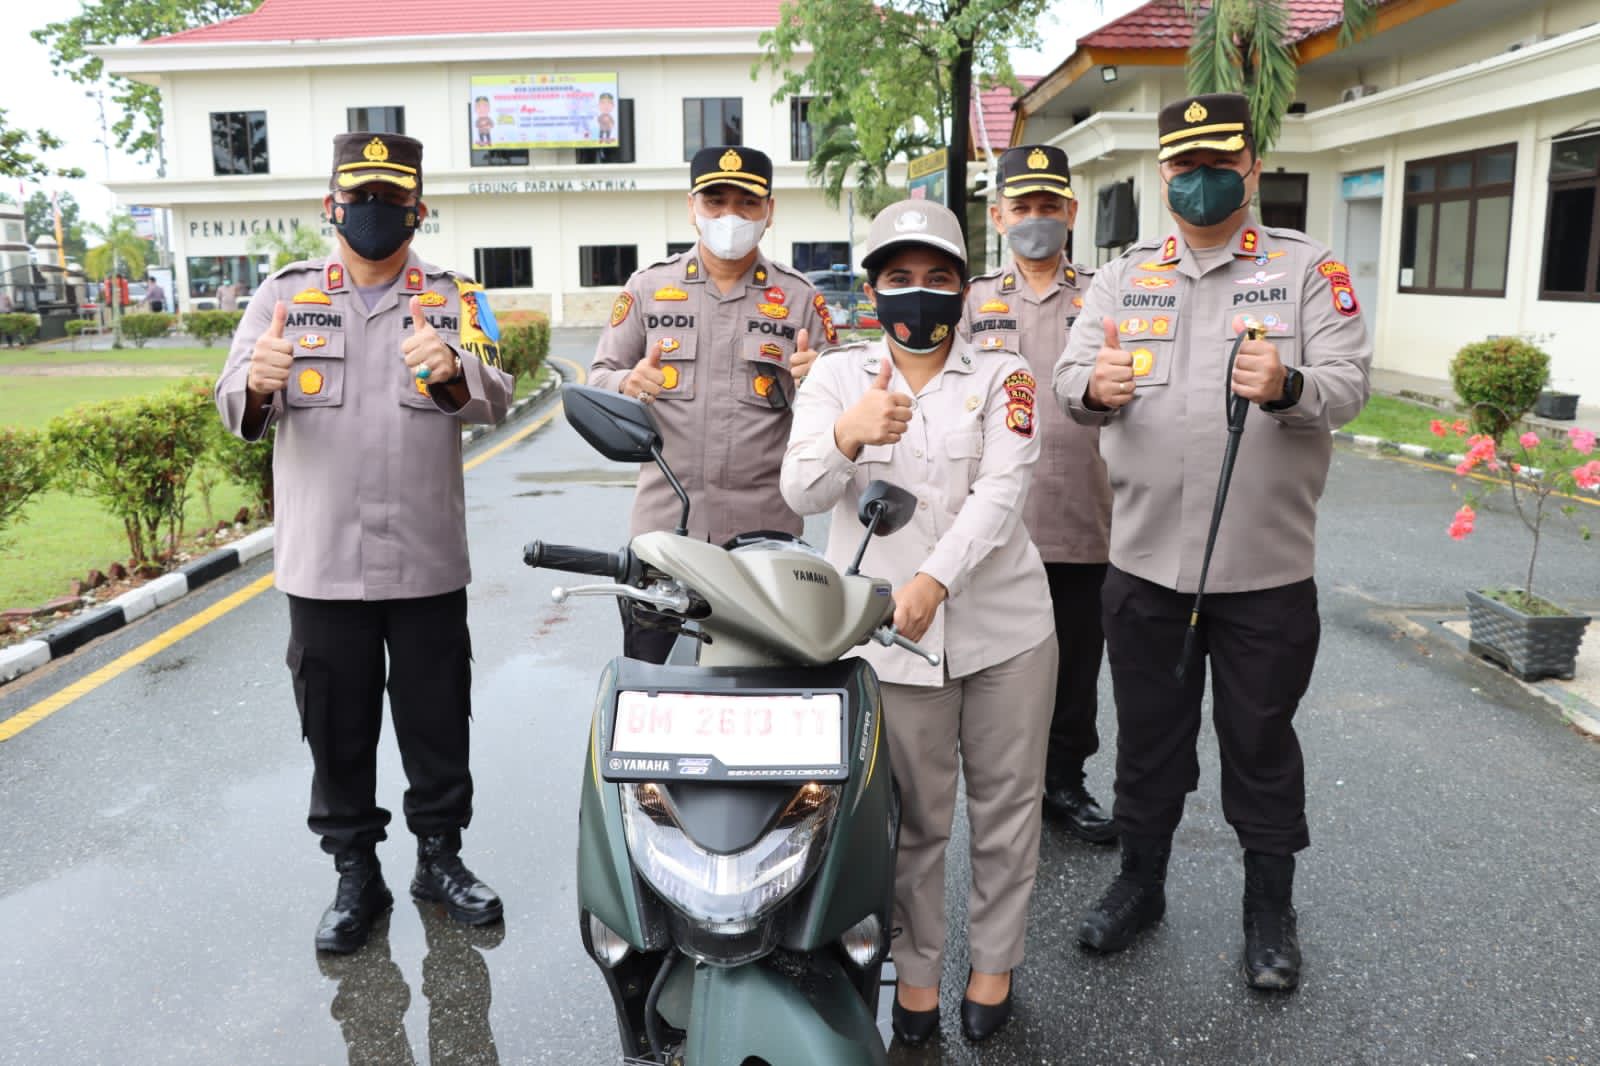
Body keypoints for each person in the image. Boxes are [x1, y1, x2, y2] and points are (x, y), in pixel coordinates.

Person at [1053, 93, 1372, 991]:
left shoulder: (1308, 272)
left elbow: (1349, 387)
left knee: (1260, 742)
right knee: (1149, 737)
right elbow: (1069, 379)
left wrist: (1288, 381)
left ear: (1253, 168)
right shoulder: (1121, 279)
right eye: (1181, 167)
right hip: (1146, 562)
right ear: (1162, 176)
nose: (1198, 181)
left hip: (1262, 571)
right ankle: (1139, 884)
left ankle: (1269, 911)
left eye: (1216, 164)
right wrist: (1095, 388)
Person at [215, 131, 515, 955]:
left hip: (424, 560)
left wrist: (452, 367)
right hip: (323, 567)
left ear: (419, 208)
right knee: (335, 726)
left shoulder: (458, 295)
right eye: (360, 198)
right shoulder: (282, 296)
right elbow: (232, 398)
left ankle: (440, 858)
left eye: (392, 199)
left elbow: (501, 392)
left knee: (435, 721)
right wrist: (257, 381)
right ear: (330, 205)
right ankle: (355, 872)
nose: (374, 213)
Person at [782, 199, 1056, 1045]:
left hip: (1006, 629)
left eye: (939, 279)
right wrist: (848, 435)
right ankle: (920, 975)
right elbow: (800, 493)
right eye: (900, 279)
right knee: (914, 822)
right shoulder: (836, 376)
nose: (920, 296)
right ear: (873, 292)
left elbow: (1004, 493)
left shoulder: (1004, 375)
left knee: (1009, 807)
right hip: (889, 642)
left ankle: (994, 964)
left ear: (965, 291)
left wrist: (936, 577)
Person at [590, 145, 836, 662]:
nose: (730, 215)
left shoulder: (800, 299)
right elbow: (600, 378)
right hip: (664, 541)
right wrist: (627, 385)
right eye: (715, 200)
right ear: (692, 207)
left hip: (765, 545)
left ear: (769, 211)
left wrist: (817, 385)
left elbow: (838, 405)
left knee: (764, 700)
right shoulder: (647, 288)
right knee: (652, 697)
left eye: (746, 203)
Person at [962, 144, 1115, 845]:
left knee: (1076, 671)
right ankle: (1002, 789)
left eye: (1049, 206)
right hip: (996, 526)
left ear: (1071, 212)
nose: (1036, 219)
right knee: (997, 668)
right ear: (998, 215)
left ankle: (1065, 783)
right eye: (1021, 207)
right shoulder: (971, 303)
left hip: (1086, 516)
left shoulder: (1106, 295)